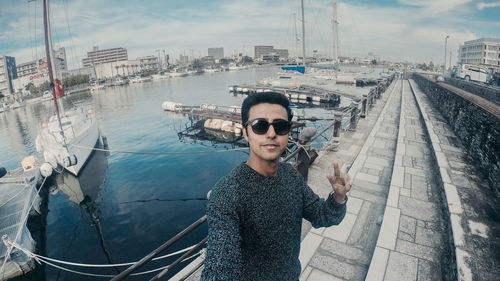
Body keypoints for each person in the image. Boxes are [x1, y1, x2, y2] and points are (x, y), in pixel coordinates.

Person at [201, 92, 353, 281]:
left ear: (288, 132)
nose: (271, 133)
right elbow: (220, 263)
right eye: (260, 126)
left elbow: (322, 215)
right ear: (246, 133)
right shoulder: (227, 194)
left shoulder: (290, 175)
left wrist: (338, 198)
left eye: (280, 126)